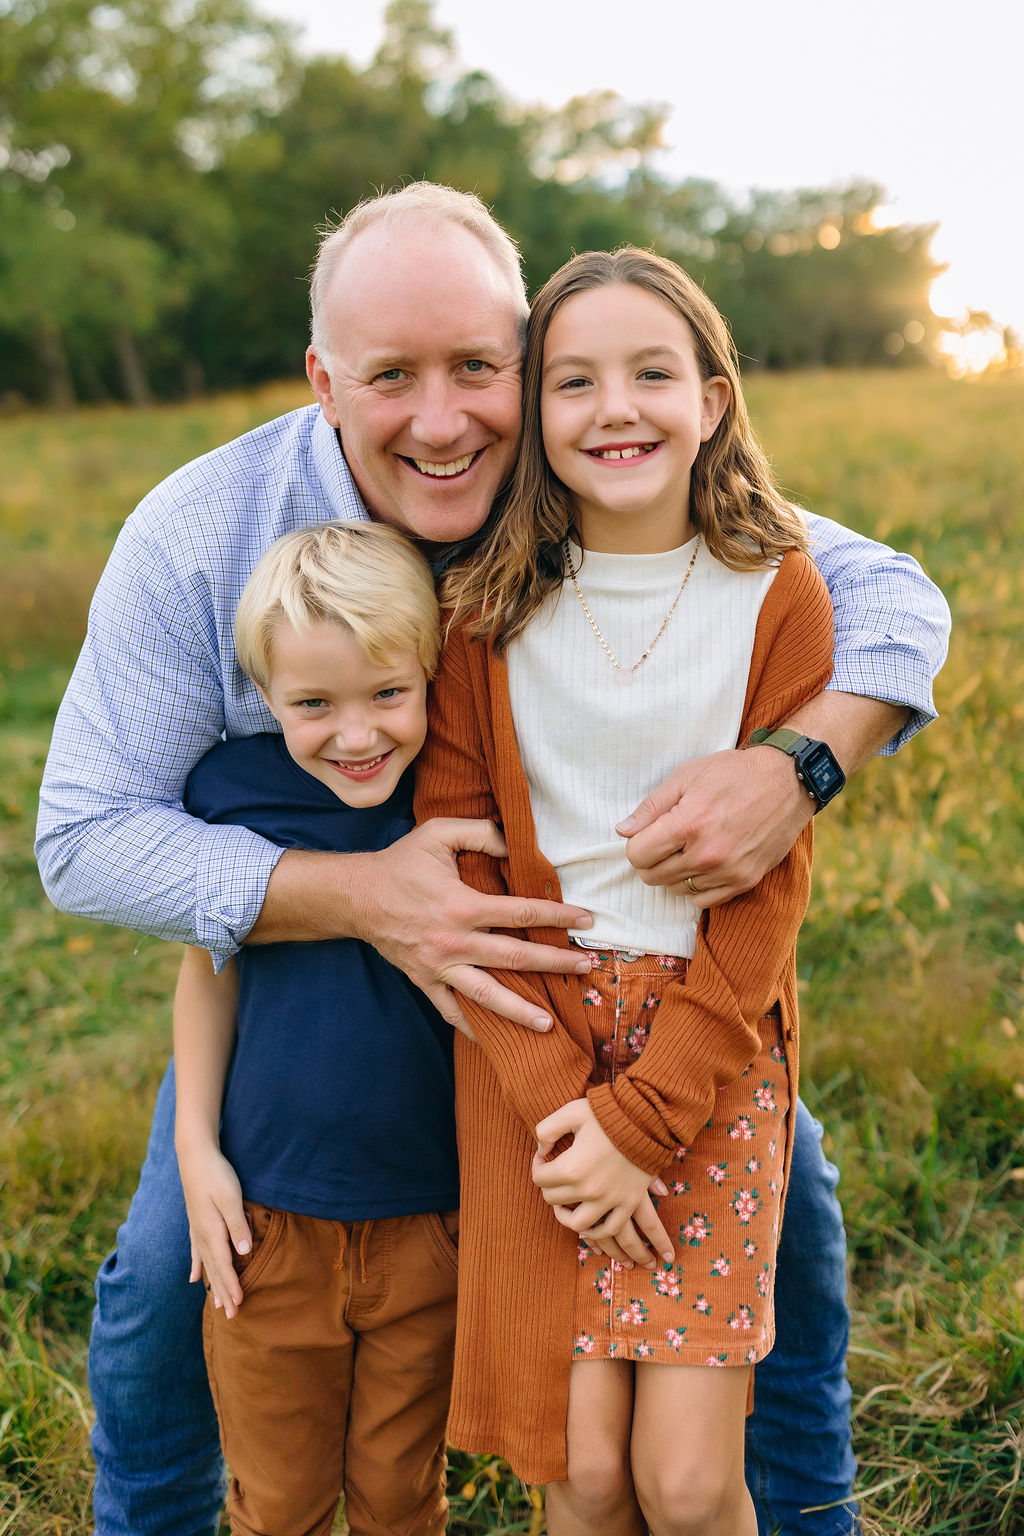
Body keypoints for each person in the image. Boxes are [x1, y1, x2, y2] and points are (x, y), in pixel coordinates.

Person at [34, 182, 950, 1536]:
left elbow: (893, 597)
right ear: (321, 380)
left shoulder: (599, 465)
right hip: (307, 1012)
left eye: (480, 367)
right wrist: (365, 898)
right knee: (167, 1264)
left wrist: (796, 765)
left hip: (596, 992)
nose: (445, 419)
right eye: (391, 377)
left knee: (792, 1199)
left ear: (529, 357)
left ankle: (810, 1509)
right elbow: (81, 836)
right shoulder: (202, 534)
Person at [414, 246, 838, 1534]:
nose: (615, 410)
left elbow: (769, 893)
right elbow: (462, 874)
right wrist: (567, 1117)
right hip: (534, 1054)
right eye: (574, 382)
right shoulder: (484, 612)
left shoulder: (777, 592)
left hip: (708, 1047)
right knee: (584, 1470)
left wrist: (645, 1120)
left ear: (711, 400)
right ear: (534, 418)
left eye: (651, 374)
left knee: (689, 1480)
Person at [173, 519, 460, 1535]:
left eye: (388, 694)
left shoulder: (452, 796)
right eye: (312, 705)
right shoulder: (230, 795)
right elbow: (209, 974)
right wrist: (194, 1147)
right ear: (264, 698)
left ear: (431, 671)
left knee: (399, 1497)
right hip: (267, 1228)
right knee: (279, 1502)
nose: (356, 734)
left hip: (431, 1222)